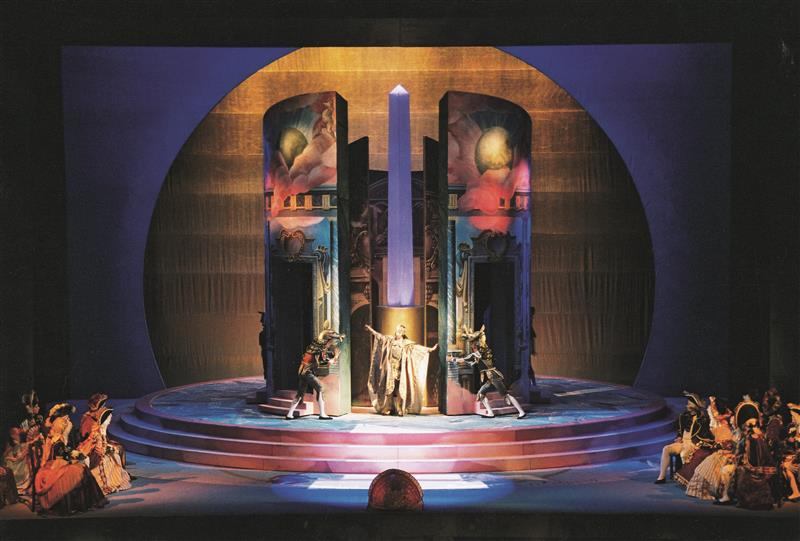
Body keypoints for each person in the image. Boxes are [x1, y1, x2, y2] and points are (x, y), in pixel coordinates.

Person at [34, 403, 106, 515]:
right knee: (79, 470)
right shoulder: (56, 439)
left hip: (60, 463)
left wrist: (74, 455)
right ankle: (75, 503)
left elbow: (65, 452)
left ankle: (83, 502)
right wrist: (74, 455)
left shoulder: (58, 437)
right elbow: (62, 454)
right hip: (54, 467)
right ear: (59, 423)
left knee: (81, 467)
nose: (67, 422)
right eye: (65, 420)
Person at [451, 325, 526, 419]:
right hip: (488, 378)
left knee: (505, 394)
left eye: (472, 343)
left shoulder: (480, 352)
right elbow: (471, 360)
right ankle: (490, 413)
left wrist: (453, 359)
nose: (471, 345)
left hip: (493, 376)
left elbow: (465, 358)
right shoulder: (479, 353)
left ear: (475, 344)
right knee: (481, 394)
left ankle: (521, 412)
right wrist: (458, 360)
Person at [365, 323, 437, 416]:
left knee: (399, 389)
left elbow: (417, 348)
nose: (397, 332)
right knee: (389, 388)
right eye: (397, 330)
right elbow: (380, 337)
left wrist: (429, 349)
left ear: (403, 333)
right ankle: (388, 407)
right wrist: (370, 330)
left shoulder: (406, 344)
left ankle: (399, 408)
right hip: (390, 369)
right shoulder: (390, 340)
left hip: (400, 369)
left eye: (400, 331)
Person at [285, 321, 344, 420]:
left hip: (303, 371)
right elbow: (322, 362)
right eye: (332, 341)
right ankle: (322, 414)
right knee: (320, 388)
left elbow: (322, 360)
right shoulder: (318, 349)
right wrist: (335, 357)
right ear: (328, 340)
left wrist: (332, 358)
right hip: (307, 372)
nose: (332, 343)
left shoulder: (316, 348)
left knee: (300, 394)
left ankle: (289, 414)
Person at [654, 391, 714, 484]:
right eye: (687, 403)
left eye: (689, 403)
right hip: (683, 442)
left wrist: (698, 444)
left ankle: (685, 478)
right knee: (666, 449)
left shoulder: (702, 419)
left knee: (684, 454)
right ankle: (662, 477)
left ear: (695, 405)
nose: (687, 405)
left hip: (693, 443)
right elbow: (680, 430)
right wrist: (679, 437)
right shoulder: (684, 416)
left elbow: (705, 433)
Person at [78, 407, 131, 494]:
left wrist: (110, 448)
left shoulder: (102, 430)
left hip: (100, 453)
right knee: (113, 458)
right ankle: (107, 482)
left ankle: (117, 477)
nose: (110, 420)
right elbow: (99, 450)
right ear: (103, 420)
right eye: (108, 418)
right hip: (97, 459)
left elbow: (104, 443)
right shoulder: (97, 433)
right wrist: (109, 450)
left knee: (116, 455)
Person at [80, 393, 126, 467]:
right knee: (118, 448)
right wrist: (104, 443)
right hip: (92, 443)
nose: (104, 406)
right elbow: (88, 434)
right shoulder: (91, 417)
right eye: (102, 404)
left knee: (119, 447)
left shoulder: (94, 415)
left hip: (96, 439)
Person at [3, 427, 33, 501]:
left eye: (18, 434)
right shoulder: (12, 445)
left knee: (14, 469)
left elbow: (19, 457)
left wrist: (11, 458)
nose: (17, 436)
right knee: (8, 465)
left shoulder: (24, 445)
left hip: (20, 462)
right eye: (15, 434)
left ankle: (19, 488)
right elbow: (6, 455)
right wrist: (9, 457)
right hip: (16, 461)